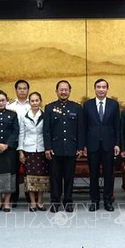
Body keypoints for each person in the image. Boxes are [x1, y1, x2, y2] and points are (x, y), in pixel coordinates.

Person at [43, 80, 84, 213]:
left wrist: (80, 147)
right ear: (56, 91)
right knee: (55, 177)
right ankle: (55, 201)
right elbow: (46, 130)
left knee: (69, 177)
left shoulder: (76, 108)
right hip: (55, 149)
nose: (63, 92)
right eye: (61, 89)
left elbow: (80, 130)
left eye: (66, 89)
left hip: (71, 148)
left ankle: (68, 201)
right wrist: (47, 147)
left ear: (70, 91)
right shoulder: (49, 108)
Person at [82, 79, 120, 212]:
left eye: (104, 87)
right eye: (98, 87)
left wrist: (117, 144)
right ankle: (94, 201)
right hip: (92, 145)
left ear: (107, 89)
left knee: (109, 174)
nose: (101, 89)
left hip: (109, 145)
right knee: (93, 174)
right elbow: (83, 127)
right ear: (95, 89)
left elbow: (117, 126)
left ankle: (108, 201)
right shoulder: (87, 105)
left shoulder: (114, 104)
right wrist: (84, 145)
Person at [18, 92, 50, 212]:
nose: (35, 103)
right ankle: (32, 202)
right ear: (29, 102)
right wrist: (21, 151)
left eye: (37, 100)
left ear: (40, 101)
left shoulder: (45, 115)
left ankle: (40, 201)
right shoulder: (24, 116)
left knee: (42, 177)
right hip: (28, 149)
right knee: (30, 177)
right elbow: (21, 134)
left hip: (42, 149)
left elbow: (47, 133)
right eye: (32, 101)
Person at [6, 80, 31, 207]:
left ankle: (29, 197)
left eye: (24, 88)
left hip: (29, 143)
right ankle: (13, 197)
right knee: (13, 170)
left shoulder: (33, 104)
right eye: (20, 88)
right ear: (16, 90)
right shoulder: (10, 106)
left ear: (28, 90)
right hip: (13, 143)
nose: (22, 90)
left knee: (29, 170)